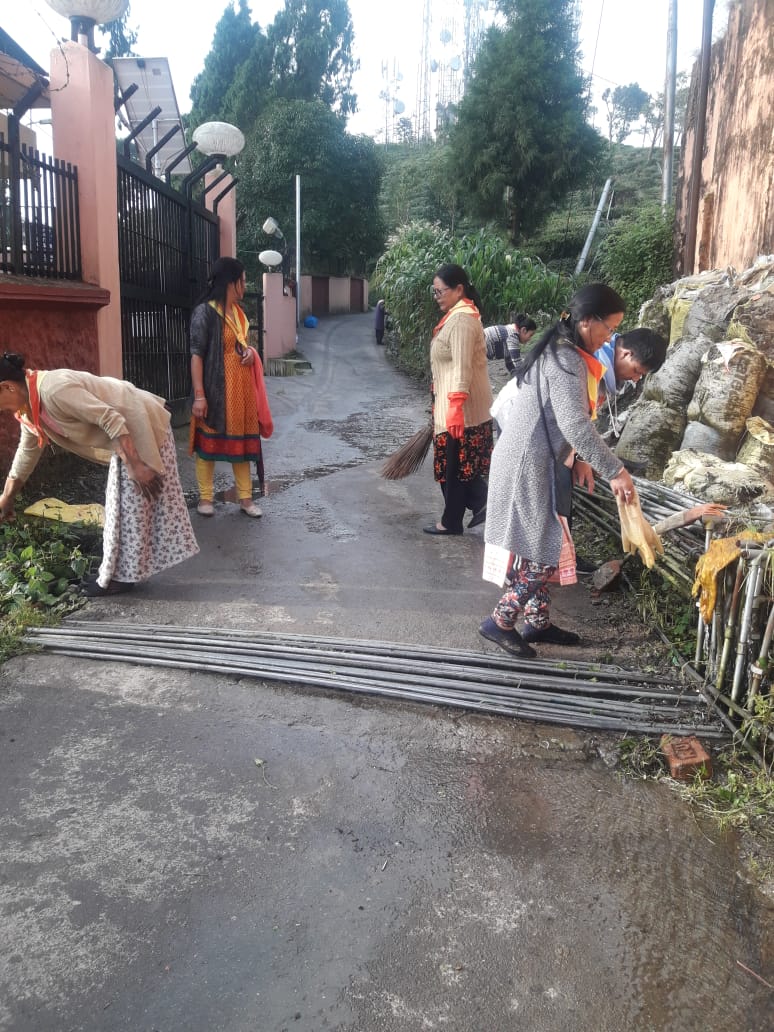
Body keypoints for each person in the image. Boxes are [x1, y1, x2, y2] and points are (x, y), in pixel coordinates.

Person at [480, 283, 635, 657]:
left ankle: (537, 622)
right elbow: (575, 425)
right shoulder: (566, 360)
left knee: (539, 544)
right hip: (526, 466)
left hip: (531, 461)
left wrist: (580, 459)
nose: (610, 338)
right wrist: (615, 471)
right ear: (587, 322)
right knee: (544, 551)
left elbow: (565, 420)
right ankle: (499, 621)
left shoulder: (564, 352)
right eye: (610, 328)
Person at [0, 351, 199, 597]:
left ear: (7, 387)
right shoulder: (29, 408)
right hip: (126, 433)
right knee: (128, 510)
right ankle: (121, 574)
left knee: (126, 510)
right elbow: (27, 453)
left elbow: (110, 418)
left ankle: (119, 578)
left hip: (138, 425)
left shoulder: (53, 390)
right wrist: (6, 499)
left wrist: (135, 465)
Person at [189, 257, 273, 519]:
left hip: (241, 394)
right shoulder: (205, 312)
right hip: (214, 391)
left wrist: (250, 353)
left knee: (243, 448)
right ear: (231, 282)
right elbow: (196, 356)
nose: (245, 285)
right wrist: (199, 396)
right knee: (207, 446)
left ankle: (246, 499)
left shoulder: (238, 313)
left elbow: (240, 345)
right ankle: (205, 498)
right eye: (243, 280)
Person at [425, 263, 494, 536]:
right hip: (453, 406)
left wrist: (454, 406)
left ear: (459, 289)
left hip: (463, 410)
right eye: (434, 291)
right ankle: (468, 511)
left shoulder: (463, 320)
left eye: (440, 291)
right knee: (453, 468)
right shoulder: (456, 317)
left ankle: (464, 514)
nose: (437, 296)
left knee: (455, 469)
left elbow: (463, 367)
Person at [594, 327, 668, 438]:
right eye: (636, 371)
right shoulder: (587, 366)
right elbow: (573, 423)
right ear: (626, 354)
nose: (635, 379)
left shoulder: (604, 379)